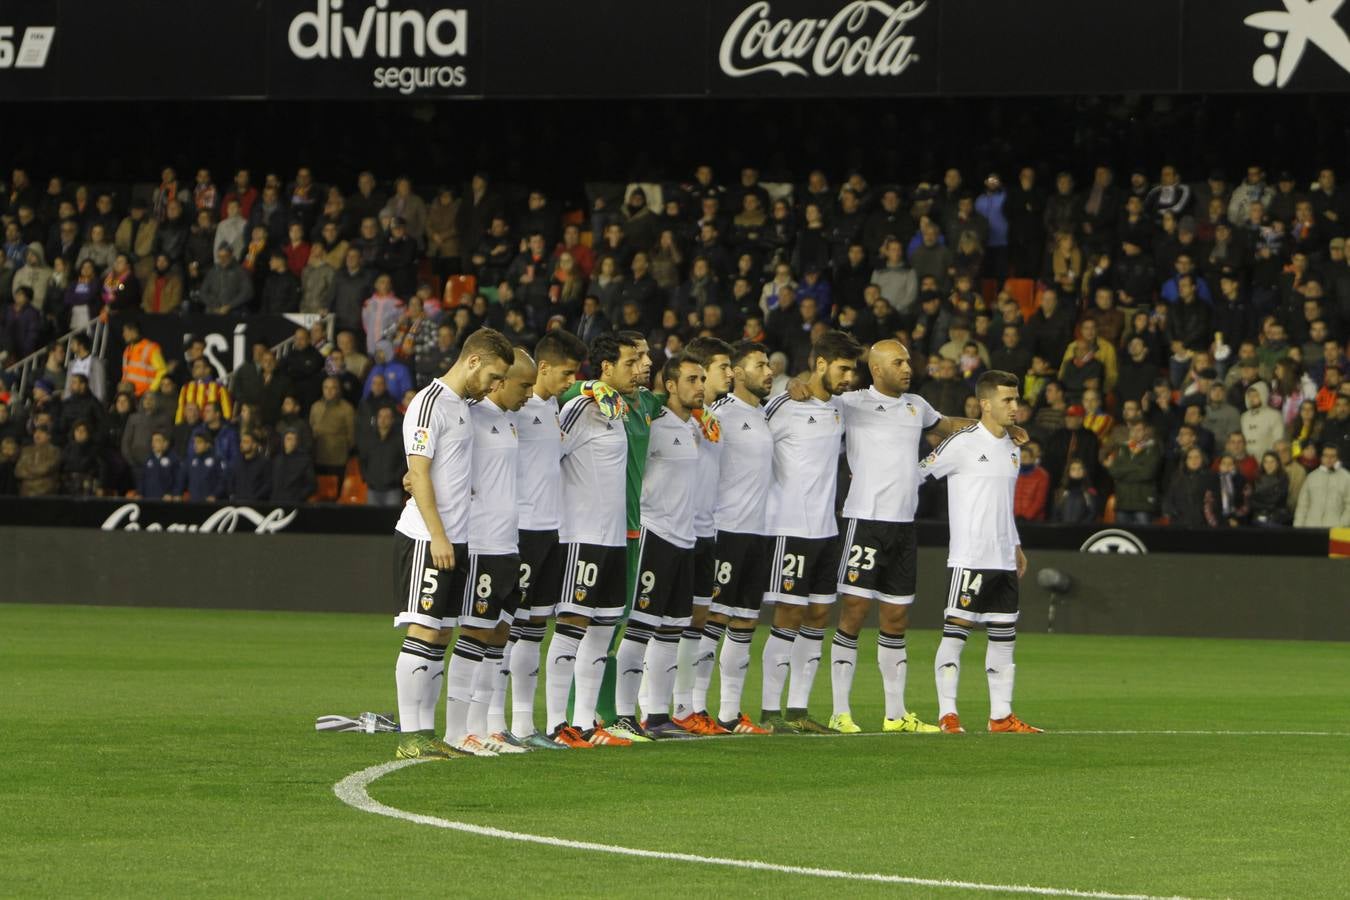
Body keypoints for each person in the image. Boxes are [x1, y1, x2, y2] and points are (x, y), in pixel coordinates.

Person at [830, 339, 1016, 735]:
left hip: (903, 524)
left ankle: (895, 715)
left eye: (908, 361)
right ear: (876, 369)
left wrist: (998, 429)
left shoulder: (916, 405)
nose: (907, 367)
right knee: (854, 613)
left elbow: (947, 426)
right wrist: (798, 385)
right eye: (898, 362)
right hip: (864, 519)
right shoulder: (851, 404)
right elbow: (814, 400)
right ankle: (840, 711)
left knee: (896, 618)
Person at [391, 327, 514, 761]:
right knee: (423, 628)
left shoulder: (463, 406)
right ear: (474, 361)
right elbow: (418, 473)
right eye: (493, 375)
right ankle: (412, 734)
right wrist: (439, 535)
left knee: (441, 633)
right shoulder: (428, 403)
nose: (495, 385)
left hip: (458, 539)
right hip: (429, 537)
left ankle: (428, 734)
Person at [919, 369, 1042, 733]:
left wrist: (1016, 544)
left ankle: (1001, 716)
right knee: (955, 633)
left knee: (1004, 638)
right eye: (1007, 399)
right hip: (970, 558)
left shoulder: (1012, 447)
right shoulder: (961, 443)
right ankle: (947, 713)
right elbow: (919, 473)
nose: (1015, 406)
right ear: (985, 404)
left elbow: (1002, 503)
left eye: (1016, 399)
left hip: (1004, 557)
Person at [758, 330, 864, 734]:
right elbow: (749, 440)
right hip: (788, 526)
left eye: (852, 370)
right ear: (820, 364)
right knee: (789, 613)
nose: (849, 377)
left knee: (819, 614)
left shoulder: (840, 408)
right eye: (843, 368)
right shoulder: (783, 404)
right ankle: (770, 713)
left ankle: (798, 711)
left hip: (826, 528)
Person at [542, 332, 642, 748]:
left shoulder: (617, 411)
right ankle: (554, 725)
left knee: (602, 628)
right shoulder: (580, 407)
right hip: (581, 535)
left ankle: (585, 723)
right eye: (630, 363)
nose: (639, 370)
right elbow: (549, 455)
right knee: (572, 625)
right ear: (606, 369)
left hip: (613, 537)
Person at [603, 352, 709, 742]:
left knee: (671, 630)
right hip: (654, 534)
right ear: (670, 385)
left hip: (684, 541)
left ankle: (658, 715)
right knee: (639, 629)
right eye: (693, 379)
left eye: (702, 379)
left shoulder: (695, 427)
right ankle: (622, 715)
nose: (701, 386)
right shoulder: (653, 423)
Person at [451, 348, 539, 757]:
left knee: (499, 635)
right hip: (482, 542)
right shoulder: (471, 415)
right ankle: (459, 731)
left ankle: (485, 726)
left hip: (509, 543)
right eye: (524, 385)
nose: (529, 393)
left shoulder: (508, 420)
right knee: (475, 632)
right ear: (500, 382)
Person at [503, 330, 587, 748]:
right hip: (520, 531)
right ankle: (491, 723)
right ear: (545, 368)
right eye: (566, 373)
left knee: (535, 627)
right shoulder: (515, 408)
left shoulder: (554, 405)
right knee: (504, 629)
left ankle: (522, 725)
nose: (571, 381)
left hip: (551, 531)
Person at [667, 337, 736, 734]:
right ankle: (650, 707)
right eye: (721, 368)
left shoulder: (711, 419)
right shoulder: (665, 415)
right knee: (659, 621)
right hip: (672, 529)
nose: (729, 374)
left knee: (698, 618)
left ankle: (686, 706)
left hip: (706, 530)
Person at [358, 406, 406, 508]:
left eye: (386, 417)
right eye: (380, 416)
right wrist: (367, 478)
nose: (383, 419)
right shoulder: (369, 438)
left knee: (391, 521)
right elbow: (362, 460)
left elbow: (405, 462)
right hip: (372, 489)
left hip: (393, 489)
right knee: (372, 522)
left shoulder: (399, 440)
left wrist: (396, 478)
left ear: (392, 420)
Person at [309, 376, 356, 479]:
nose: (329, 391)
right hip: (318, 456)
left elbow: (351, 435)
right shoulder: (315, 407)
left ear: (338, 389)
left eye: (333, 388)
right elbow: (311, 428)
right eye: (326, 387)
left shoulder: (347, 408)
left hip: (338, 459)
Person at [1294, 444, 1350, 527]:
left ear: (1337, 458)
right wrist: (1298, 526)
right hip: (1311, 527)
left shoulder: (1346, 478)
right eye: (1326, 456)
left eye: (1332, 456)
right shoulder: (1312, 477)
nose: (1329, 459)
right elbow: (1303, 505)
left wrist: (1342, 525)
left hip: (1334, 529)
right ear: (1321, 457)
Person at [1164, 447, 1219, 528]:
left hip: (1203, 523)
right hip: (1179, 522)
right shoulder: (1177, 477)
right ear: (1185, 460)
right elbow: (1169, 498)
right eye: (1190, 457)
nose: (1194, 460)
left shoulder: (1211, 477)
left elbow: (1215, 501)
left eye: (1197, 457)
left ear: (1203, 459)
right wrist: (1172, 511)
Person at [119, 319, 167, 398]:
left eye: (125, 331)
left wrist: (151, 390)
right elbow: (126, 374)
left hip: (145, 396)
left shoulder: (150, 348)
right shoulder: (127, 350)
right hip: (130, 396)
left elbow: (162, 371)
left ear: (134, 331)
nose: (123, 334)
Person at [176, 357, 232, 424]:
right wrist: (178, 425)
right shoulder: (186, 387)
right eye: (194, 367)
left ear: (207, 369)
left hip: (210, 428)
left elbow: (227, 412)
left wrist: (225, 428)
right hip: (189, 427)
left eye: (198, 367)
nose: (194, 369)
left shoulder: (219, 388)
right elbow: (180, 409)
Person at [228, 430, 272, 502]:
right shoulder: (237, 462)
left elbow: (268, 484)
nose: (241, 444)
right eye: (241, 441)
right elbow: (231, 481)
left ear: (254, 445)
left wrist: (255, 497)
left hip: (256, 506)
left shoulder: (264, 463)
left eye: (246, 442)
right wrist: (233, 494)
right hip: (237, 505)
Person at [139, 430, 183, 500]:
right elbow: (142, 479)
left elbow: (178, 479)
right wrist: (140, 493)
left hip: (166, 499)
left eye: (157, 441)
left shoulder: (174, 459)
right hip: (148, 499)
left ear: (165, 443)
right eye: (152, 441)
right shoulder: (148, 459)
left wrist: (173, 494)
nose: (153, 444)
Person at [185, 431, 226, 501]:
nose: (195, 445)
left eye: (199, 442)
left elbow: (222, 481)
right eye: (194, 442)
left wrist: (214, 495)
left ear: (207, 444)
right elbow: (182, 479)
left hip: (209, 503)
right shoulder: (191, 460)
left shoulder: (217, 460)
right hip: (193, 501)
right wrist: (177, 493)